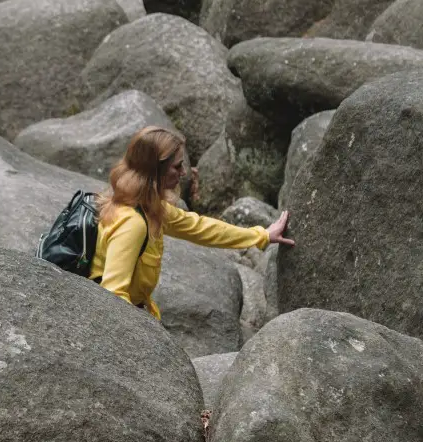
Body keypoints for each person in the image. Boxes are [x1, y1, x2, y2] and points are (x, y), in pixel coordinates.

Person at [89, 126, 294, 319]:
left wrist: (262, 235)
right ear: (155, 171)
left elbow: (201, 228)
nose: (184, 173)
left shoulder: (149, 207)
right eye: (177, 166)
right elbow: (112, 295)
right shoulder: (132, 223)